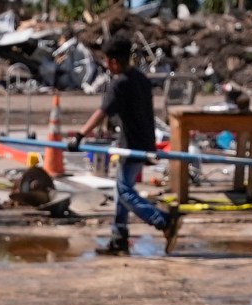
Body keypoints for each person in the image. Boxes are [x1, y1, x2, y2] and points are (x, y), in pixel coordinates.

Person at [75, 33, 181, 255]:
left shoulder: (119, 84)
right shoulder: (140, 79)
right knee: (121, 190)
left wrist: (79, 136)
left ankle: (163, 221)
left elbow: (102, 112)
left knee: (124, 191)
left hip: (131, 145)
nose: (106, 65)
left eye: (106, 61)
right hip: (144, 142)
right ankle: (119, 239)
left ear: (113, 61)